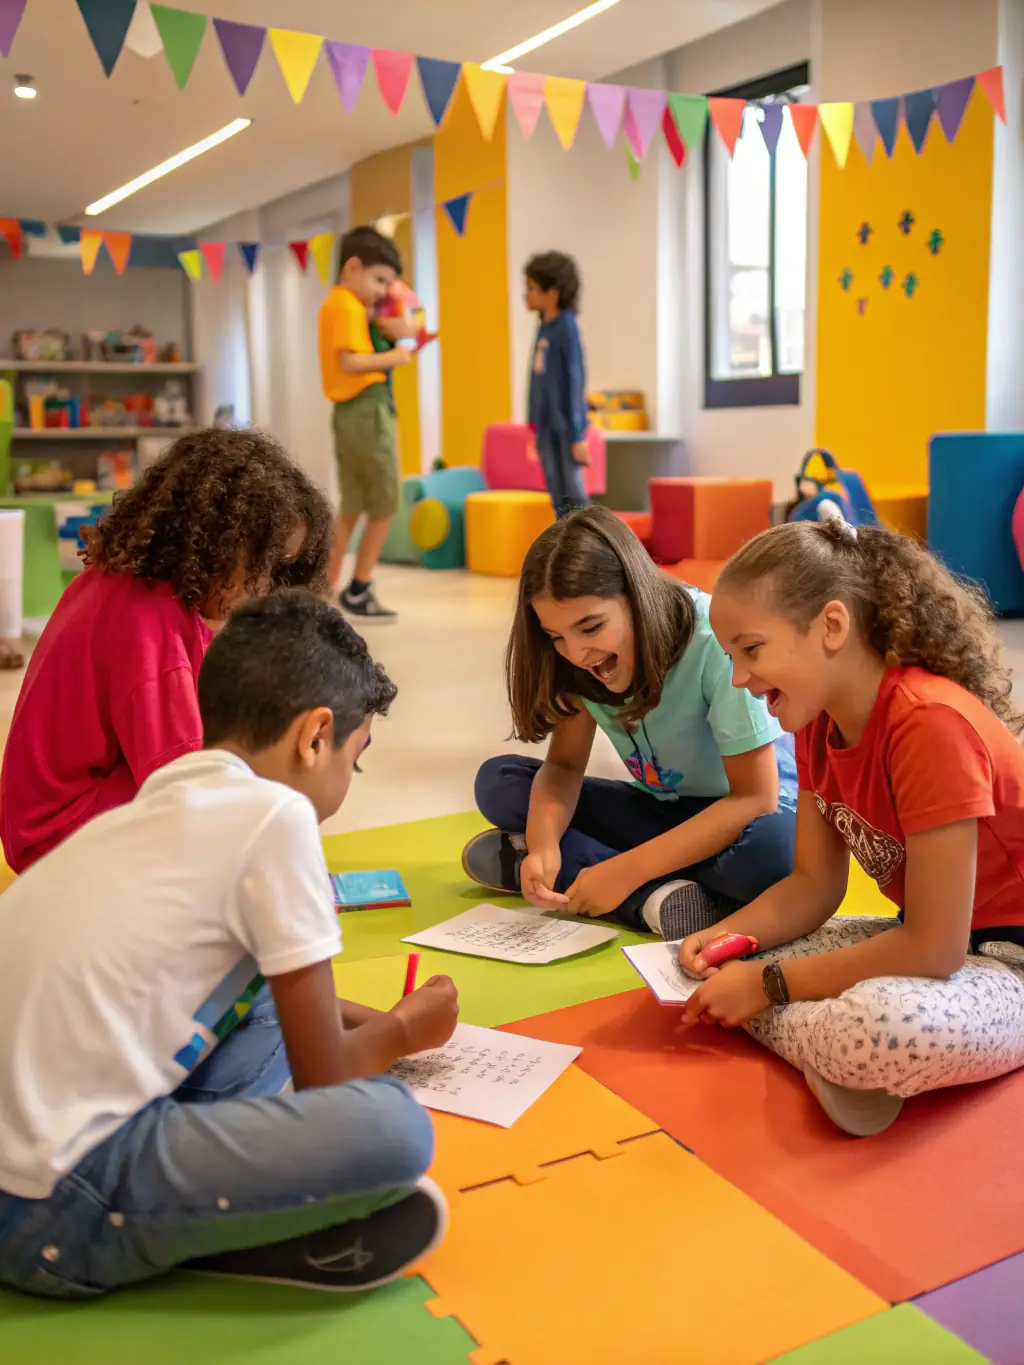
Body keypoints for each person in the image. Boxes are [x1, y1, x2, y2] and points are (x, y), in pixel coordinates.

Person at [0, 589, 459, 1297]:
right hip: (55, 1208)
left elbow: (279, 996)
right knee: (397, 1128)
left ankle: (187, 1205)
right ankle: (196, 1232)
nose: (346, 785)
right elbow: (327, 1081)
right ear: (315, 735)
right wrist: (402, 1029)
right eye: (353, 760)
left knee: (263, 1012)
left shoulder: (154, 800)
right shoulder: (276, 815)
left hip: (25, 1162)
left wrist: (378, 1020)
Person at [681, 517, 1024, 1137]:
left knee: (874, 1029)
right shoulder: (815, 720)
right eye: (731, 656)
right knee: (728, 969)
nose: (739, 678)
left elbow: (933, 948)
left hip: (1005, 961)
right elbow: (813, 885)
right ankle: (826, 1050)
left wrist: (768, 984)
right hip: (933, 945)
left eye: (751, 650)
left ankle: (842, 1053)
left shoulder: (929, 725)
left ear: (831, 628)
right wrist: (726, 940)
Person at [0, 429, 331, 875]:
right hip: (59, 844)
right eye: (262, 563)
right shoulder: (148, 622)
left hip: (53, 822)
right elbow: (187, 785)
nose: (266, 585)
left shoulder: (137, 584)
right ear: (217, 543)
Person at [464, 508, 797, 940]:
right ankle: (659, 898)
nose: (576, 653)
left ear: (636, 596)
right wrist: (544, 846)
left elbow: (754, 798)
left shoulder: (712, 640)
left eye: (591, 627)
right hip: (662, 817)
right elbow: (563, 768)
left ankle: (609, 879)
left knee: (777, 854)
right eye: (555, 636)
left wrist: (624, 870)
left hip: (743, 818)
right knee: (500, 783)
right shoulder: (578, 663)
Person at [319, 226, 412, 621]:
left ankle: (325, 586)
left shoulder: (344, 304)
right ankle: (358, 584)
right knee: (385, 501)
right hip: (366, 408)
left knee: (354, 505)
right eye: (378, 280)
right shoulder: (346, 305)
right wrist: (397, 357)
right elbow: (351, 361)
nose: (381, 291)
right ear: (352, 267)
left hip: (350, 413)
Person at [524, 251, 591, 518]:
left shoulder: (566, 328)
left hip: (565, 427)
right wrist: (532, 422)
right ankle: (567, 551)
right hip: (545, 426)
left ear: (552, 293)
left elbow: (575, 381)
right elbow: (536, 379)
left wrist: (576, 434)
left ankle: (595, 548)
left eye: (531, 289)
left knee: (573, 492)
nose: (526, 296)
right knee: (557, 493)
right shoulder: (544, 328)